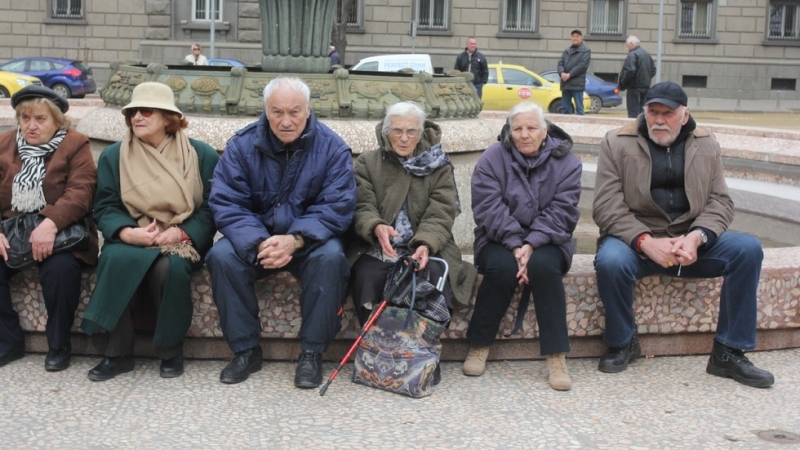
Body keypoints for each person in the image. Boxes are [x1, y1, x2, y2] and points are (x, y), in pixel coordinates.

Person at [592, 81, 775, 388]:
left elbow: (721, 201)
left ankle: (728, 352)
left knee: (748, 249)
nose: (659, 120)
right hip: (637, 242)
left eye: (668, 113)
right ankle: (623, 341)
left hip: (691, 242)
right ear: (644, 112)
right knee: (610, 260)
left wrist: (697, 237)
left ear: (685, 114)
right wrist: (644, 241)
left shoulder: (707, 143)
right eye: (653, 112)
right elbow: (605, 206)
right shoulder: (616, 142)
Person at [205, 77, 356, 388]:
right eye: (277, 112)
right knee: (221, 256)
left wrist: (295, 240)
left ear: (309, 110)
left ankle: (312, 353)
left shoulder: (333, 148)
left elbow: (337, 206)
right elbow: (227, 202)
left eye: (295, 112)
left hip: (308, 241)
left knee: (332, 258)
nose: (286, 121)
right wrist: (261, 243)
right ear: (265, 111)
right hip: (259, 240)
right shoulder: (241, 145)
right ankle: (246, 350)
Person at [81, 82, 219, 381]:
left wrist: (181, 233)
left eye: (146, 111)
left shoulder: (201, 155)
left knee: (168, 268)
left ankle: (170, 350)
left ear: (168, 118)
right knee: (114, 260)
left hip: (180, 239)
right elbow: (105, 207)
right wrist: (127, 232)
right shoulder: (114, 156)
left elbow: (211, 209)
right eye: (132, 112)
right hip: (133, 234)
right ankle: (117, 354)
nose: (137, 118)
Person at [347, 101, 478, 383]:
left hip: (426, 245)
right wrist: (376, 226)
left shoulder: (438, 164)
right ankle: (377, 349)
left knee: (432, 277)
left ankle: (423, 353)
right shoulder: (367, 163)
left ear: (420, 133)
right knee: (365, 275)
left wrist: (426, 243)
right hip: (379, 245)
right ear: (385, 132)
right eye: (397, 131)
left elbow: (442, 211)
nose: (404, 138)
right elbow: (362, 206)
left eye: (411, 131)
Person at [463, 102, 582, 391]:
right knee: (502, 269)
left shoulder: (568, 162)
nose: (524, 134)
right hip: (497, 236)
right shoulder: (492, 157)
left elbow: (564, 212)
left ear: (545, 131)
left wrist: (532, 243)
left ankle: (556, 356)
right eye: (517, 128)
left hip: (550, 238)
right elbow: (487, 207)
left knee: (544, 267)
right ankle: (479, 345)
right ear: (509, 131)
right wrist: (516, 244)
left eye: (531, 128)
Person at [0, 86, 97, 371]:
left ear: (57, 120)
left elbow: (82, 191)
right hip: (12, 231)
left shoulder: (75, 143)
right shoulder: (4, 145)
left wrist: (50, 223)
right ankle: (8, 341)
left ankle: (58, 345)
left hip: (61, 232)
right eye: (26, 118)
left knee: (60, 270)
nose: (32, 125)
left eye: (40, 119)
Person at [618, 36, 656, 118]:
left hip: (634, 86)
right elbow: (653, 70)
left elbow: (630, 71)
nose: (626, 47)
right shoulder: (646, 54)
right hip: (645, 86)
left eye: (627, 45)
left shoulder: (632, 54)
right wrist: (646, 78)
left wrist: (622, 83)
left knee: (633, 111)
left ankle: (634, 128)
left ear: (631, 44)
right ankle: (642, 127)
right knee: (643, 110)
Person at [557, 29, 591, 115]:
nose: (575, 38)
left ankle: (581, 127)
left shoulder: (586, 51)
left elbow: (582, 66)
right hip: (566, 84)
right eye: (573, 36)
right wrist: (562, 73)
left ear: (581, 38)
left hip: (577, 84)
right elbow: (560, 63)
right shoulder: (566, 50)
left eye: (577, 36)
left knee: (579, 109)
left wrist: (570, 74)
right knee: (565, 109)